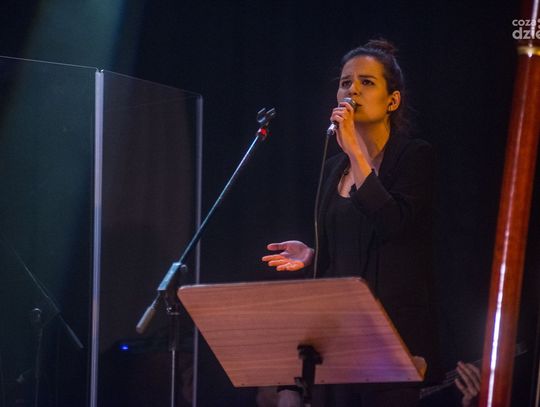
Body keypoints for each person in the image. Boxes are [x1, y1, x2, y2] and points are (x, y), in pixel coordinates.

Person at [262, 39, 438, 406]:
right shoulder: (334, 168)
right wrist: (315, 254)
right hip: (342, 337)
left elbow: (393, 224)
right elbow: (358, 243)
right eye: (345, 82)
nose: (352, 90)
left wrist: (356, 151)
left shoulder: (414, 156)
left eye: (366, 82)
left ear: (392, 101)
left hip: (394, 341)